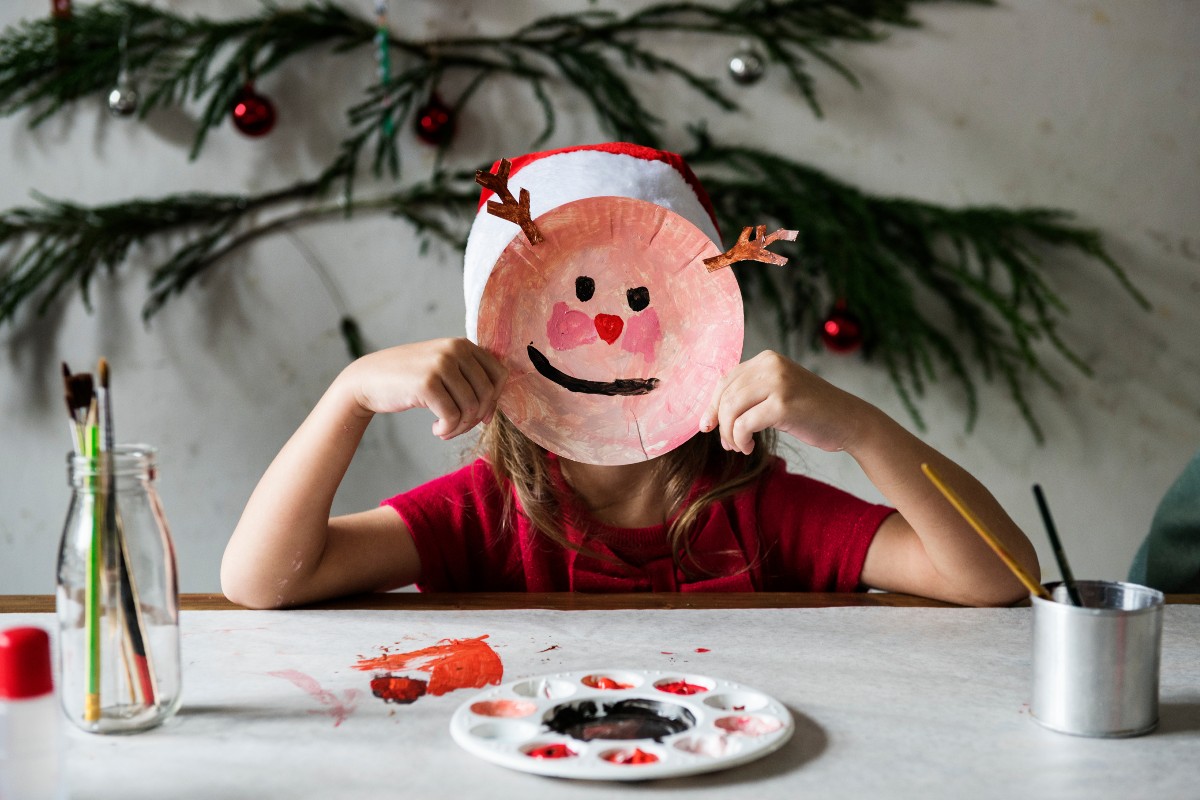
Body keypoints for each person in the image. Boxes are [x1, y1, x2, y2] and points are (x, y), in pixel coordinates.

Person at [221, 143, 1039, 609]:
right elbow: (260, 582)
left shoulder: (758, 511)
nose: (607, 332)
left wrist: (862, 428)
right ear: (493, 339)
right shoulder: (488, 515)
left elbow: (1003, 578)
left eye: (642, 303)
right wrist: (350, 395)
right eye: (571, 303)